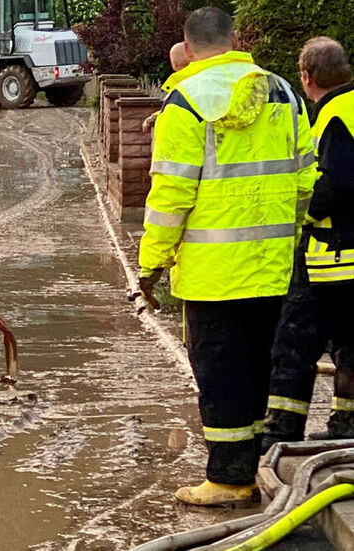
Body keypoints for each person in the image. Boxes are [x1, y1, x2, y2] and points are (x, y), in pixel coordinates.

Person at [136, 7, 316, 506]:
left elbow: (171, 197)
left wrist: (151, 263)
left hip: (213, 274)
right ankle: (253, 465)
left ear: (188, 49)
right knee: (260, 366)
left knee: (221, 373)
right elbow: (306, 178)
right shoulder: (283, 93)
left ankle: (229, 479)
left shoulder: (185, 103)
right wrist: (287, 233)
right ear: (236, 40)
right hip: (274, 265)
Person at [264, 37, 354, 449]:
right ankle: (346, 427)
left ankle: (282, 433)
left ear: (306, 76)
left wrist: (303, 213)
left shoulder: (333, 115)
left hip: (332, 255)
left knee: (294, 343)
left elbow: (336, 182)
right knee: (349, 345)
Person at [143, 42, 191, 133]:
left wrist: (153, 117)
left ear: (174, 64)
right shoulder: (206, 79)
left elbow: (174, 111)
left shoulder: (181, 87)